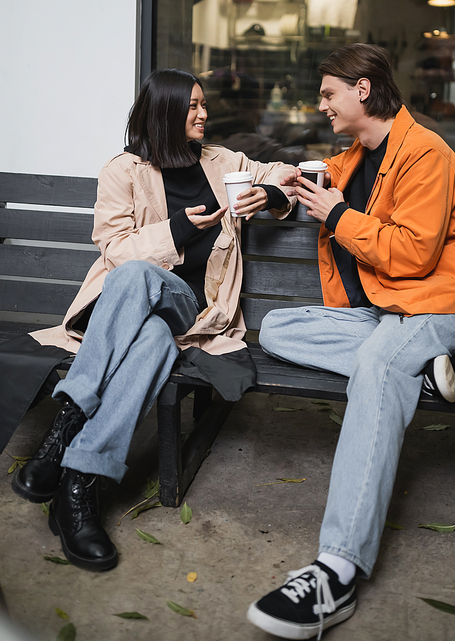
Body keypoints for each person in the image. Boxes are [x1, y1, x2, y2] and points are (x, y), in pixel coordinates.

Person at [247, 44, 455, 639]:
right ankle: (422, 363)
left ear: (363, 90)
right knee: (278, 327)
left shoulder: (426, 153)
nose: (321, 104)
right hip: (393, 316)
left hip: (448, 308)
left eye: (330, 93)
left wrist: (336, 217)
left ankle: (336, 572)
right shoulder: (360, 156)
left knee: (382, 366)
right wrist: (283, 192)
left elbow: (412, 255)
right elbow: (321, 180)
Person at [10, 68, 295, 572]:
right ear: (164, 112)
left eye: (203, 105)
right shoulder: (124, 170)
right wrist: (180, 227)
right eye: (193, 107)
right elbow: (115, 250)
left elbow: (280, 172)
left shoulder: (223, 162)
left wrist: (270, 196)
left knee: (143, 282)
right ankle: (79, 484)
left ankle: (64, 428)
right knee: (151, 333)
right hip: (135, 310)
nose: (204, 114)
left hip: (194, 309)